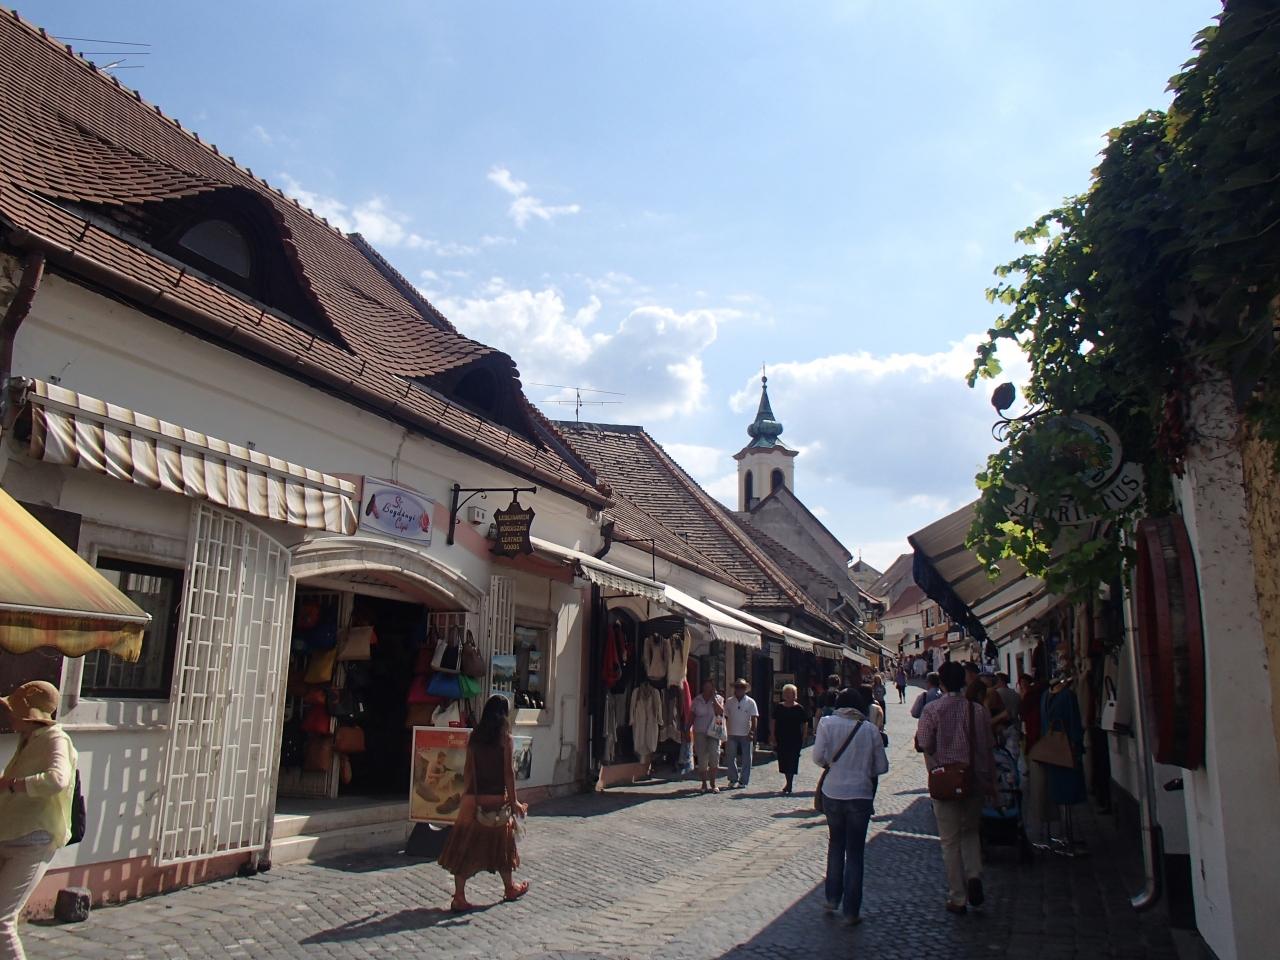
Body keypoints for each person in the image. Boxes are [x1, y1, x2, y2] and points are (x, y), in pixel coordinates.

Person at [0, 681, 78, 960]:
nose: (9, 716)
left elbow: (58, 779)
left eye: (13, 711)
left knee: (2, 920)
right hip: (10, 833)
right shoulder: (30, 739)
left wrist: (13, 785)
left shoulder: (56, 739)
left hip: (33, 841)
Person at [915, 661, 996, 915]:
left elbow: (924, 742)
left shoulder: (932, 710)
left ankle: (958, 896)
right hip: (973, 779)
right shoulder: (978, 710)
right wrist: (991, 781)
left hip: (945, 781)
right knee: (971, 832)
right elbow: (988, 747)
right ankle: (974, 875)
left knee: (949, 841)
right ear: (964, 682)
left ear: (941, 683)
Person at [438, 695, 528, 912]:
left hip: (473, 800)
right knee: (503, 846)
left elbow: (468, 770)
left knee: (464, 847)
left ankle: (459, 896)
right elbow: (508, 773)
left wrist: (467, 797)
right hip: (496, 800)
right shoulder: (505, 739)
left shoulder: (475, 737)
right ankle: (509, 888)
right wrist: (514, 801)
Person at [813, 688, 888, 926]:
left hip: (833, 793)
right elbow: (882, 767)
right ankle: (851, 911)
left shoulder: (826, 723)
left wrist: (833, 764)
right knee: (855, 852)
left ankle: (832, 898)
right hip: (860, 795)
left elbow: (818, 758)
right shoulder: (870, 729)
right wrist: (862, 768)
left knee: (836, 844)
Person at [770, 684, 810, 795]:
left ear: (794, 695)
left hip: (795, 738)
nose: (788, 695)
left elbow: (805, 723)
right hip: (782, 737)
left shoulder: (799, 708)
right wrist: (772, 735)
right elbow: (773, 721)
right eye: (786, 693)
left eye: (790, 693)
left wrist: (804, 735)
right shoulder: (779, 707)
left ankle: (789, 784)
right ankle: (788, 782)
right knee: (783, 759)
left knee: (792, 760)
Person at [691, 679, 725, 793]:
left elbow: (720, 712)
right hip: (700, 732)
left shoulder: (719, 699)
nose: (707, 690)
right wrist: (687, 729)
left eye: (710, 688)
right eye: (706, 687)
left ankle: (713, 783)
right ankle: (704, 783)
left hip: (714, 732)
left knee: (715, 756)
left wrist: (713, 699)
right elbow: (692, 715)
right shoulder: (697, 700)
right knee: (702, 758)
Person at [724, 678, 759, 788]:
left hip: (745, 733)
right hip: (731, 733)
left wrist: (752, 732)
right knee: (730, 757)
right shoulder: (729, 701)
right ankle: (733, 778)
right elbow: (725, 717)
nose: (739, 689)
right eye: (737, 687)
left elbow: (754, 718)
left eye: (742, 687)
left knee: (746, 758)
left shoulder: (751, 702)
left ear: (745, 689)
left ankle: (743, 780)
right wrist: (723, 731)